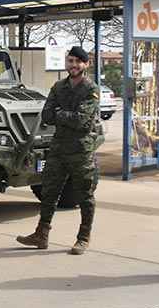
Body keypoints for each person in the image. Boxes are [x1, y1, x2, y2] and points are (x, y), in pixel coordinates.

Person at [16, 46, 103, 254]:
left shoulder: (91, 89)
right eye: (70, 61)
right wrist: (66, 115)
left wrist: (60, 114)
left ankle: (83, 238)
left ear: (86, 64)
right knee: (48, 192)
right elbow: (46, 115)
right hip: (58, 148)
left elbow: (82, 121)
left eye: (77, 62)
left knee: (85, 194)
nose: (73, 65)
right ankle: (41, 234)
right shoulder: (58, 87)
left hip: (81, 150)